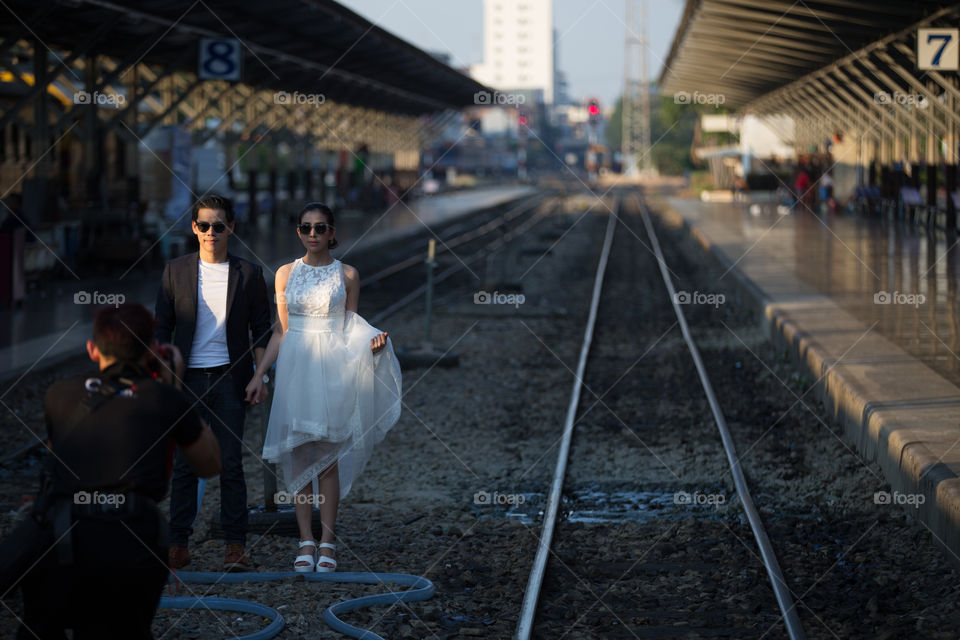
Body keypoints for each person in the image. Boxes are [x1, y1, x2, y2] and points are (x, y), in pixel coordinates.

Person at [12, 303, 221, 640]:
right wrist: (176, 389)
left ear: (92, 349)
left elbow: (59, 458)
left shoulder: (60, 394)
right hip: (133, 542)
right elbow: (209, 464)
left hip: (63, 539)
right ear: (153, 350)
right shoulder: (162, 398)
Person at [246, 202, 401, 572]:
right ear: (298, 232)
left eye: (320, 228)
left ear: (332, 232)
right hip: (296, 369)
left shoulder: (348, 274)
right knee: (300, 452)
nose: (312, 234)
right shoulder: (284, 273)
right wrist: (258, 374)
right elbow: (280, 331)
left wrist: (372, 343)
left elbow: (351, 324)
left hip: (332, 369)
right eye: (305, 228)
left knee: (327, 458)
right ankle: (305, 540)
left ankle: (327, 542)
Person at [154, 194, 272, 571]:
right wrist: (166, 374)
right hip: (187, 379)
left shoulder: (249, 274)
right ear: (193, 228)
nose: (210, 232)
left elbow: (261, 331)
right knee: (186, 466)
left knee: (232, 464)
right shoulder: (175, 271)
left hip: (230, 379)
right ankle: (178, 544)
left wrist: (259, 375)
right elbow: (162, 326)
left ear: (231, 228)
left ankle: (234, 546)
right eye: (203, 225)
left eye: (218, 226)